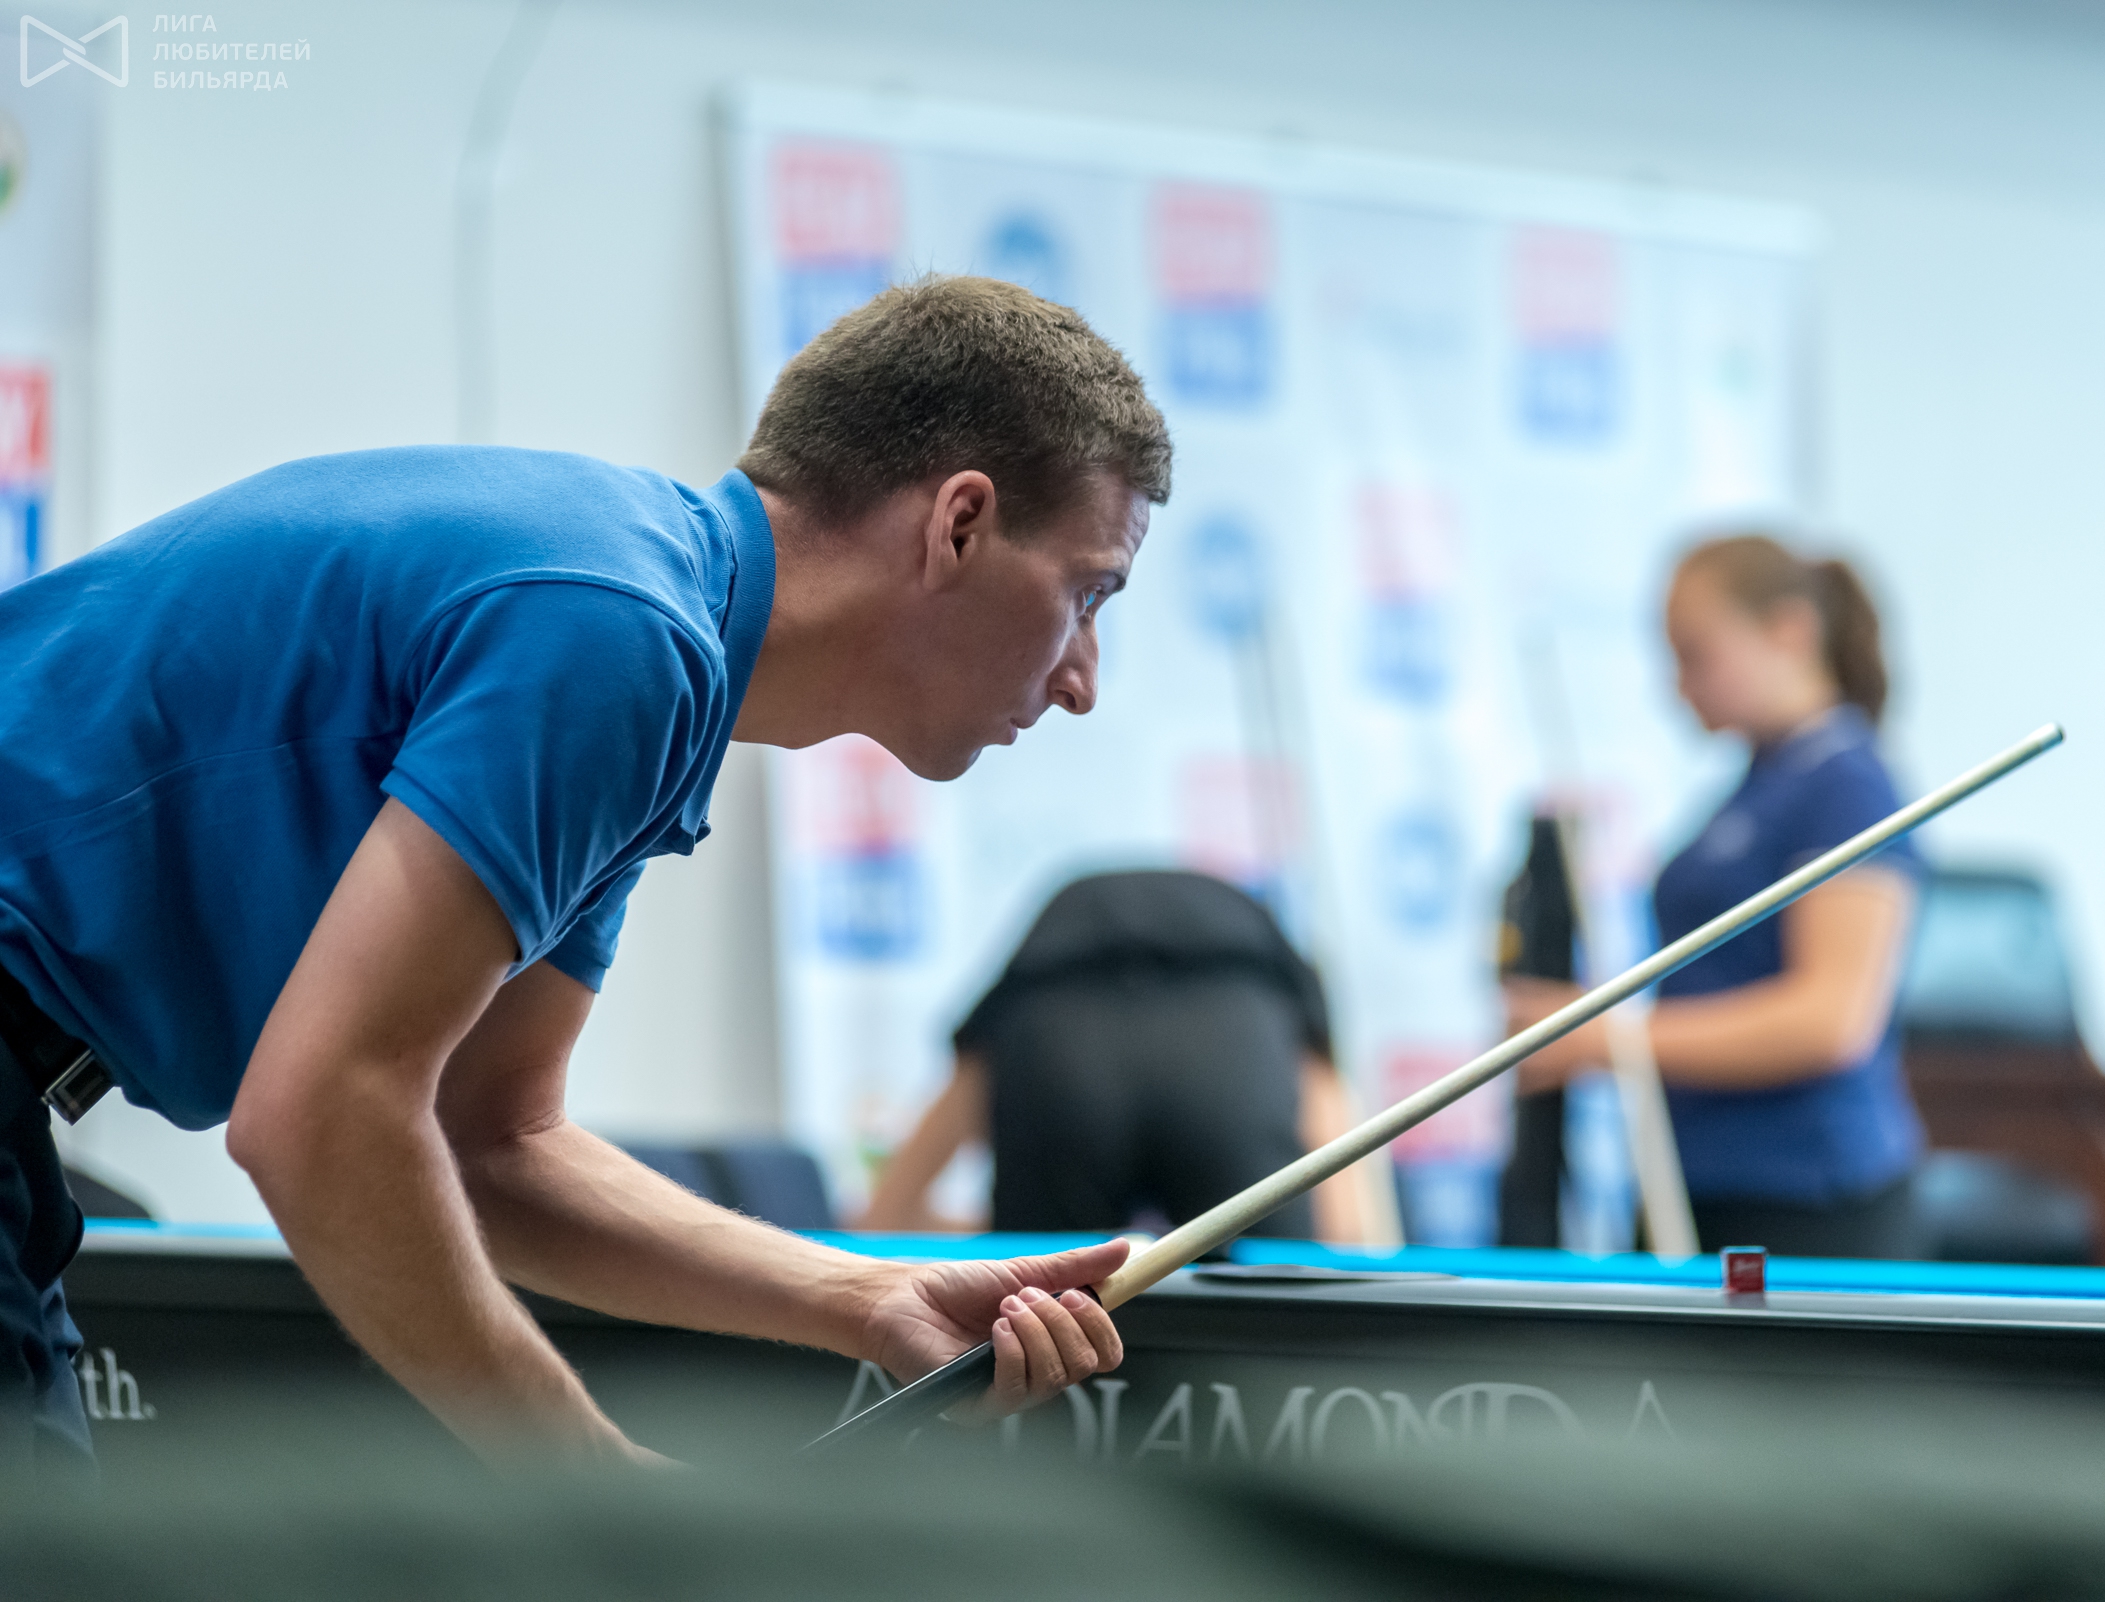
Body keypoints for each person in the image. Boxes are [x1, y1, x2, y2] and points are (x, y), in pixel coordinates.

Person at [0, 276, 1167, 1469]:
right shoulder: (620, 636)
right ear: (959, 524)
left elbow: (491, 1140)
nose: (1083, 678)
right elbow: (321, 1113)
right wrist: (599, 1493)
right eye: (1087, 594)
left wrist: (865, 1296)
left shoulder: (652, 633)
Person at [1503, 534, 1925, 1258]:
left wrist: (1604, 1039)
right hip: (1697, 1181)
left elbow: (1832, 1019)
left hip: (1804, 1201)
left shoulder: (1846, 784)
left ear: (1790, 630)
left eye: (1695, 655)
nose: (1678, 686)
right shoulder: (1759, 784)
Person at [857, 871, 1368, 1243]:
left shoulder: (1041, 987)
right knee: (1274, 1294)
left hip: (1056, 1036)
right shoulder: (1256, 990)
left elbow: (887, 1219)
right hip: (1238, 1032)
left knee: (1039, 1296)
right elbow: (1350, 1233)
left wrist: (1008, 1231)